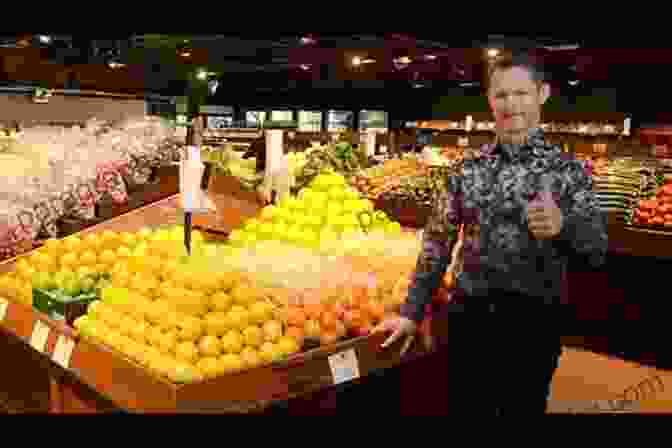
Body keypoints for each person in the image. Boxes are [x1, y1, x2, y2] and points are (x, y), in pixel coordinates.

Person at [375, 51, 608, 415]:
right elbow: (437, 243)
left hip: (535, 322)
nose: (511, 104)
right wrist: (412, 310)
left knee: (523, 410)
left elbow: (596, 250)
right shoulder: (466, 170)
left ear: (542, 94)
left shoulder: (570, 172)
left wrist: (565, 227)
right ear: (489, 100)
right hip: (471, 320)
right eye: (501, 95)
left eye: (521, 93)